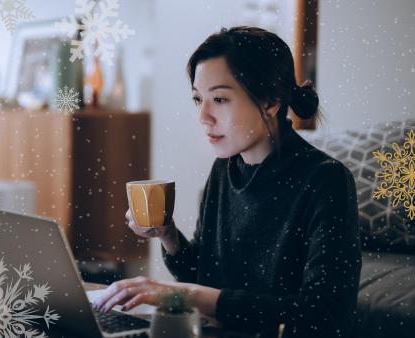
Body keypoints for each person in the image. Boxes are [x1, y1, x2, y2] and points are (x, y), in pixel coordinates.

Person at [92, 26, 362, 338]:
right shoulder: (224, 171)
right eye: (198, 99)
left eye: (219, 99)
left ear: (271, 100)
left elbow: (322, 318)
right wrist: (168, 235)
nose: (203, 116)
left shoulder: (326, 180)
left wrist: (179, 294)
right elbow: (206, 278)